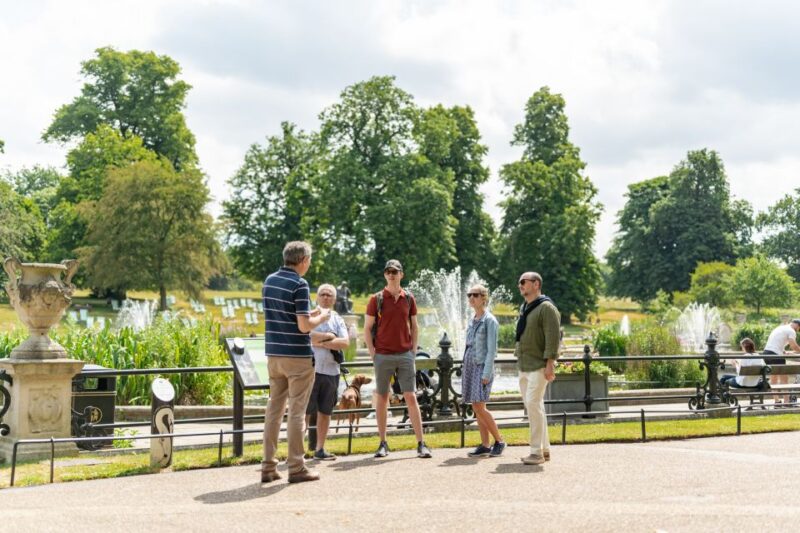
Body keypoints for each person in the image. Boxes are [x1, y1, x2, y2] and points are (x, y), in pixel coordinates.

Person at [261, 241, 330, 484]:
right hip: (297, 357)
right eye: (309, 260)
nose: (309, 264)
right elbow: (302, 327)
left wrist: (309, 315)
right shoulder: (300, 284)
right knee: (297, 413)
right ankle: (297, 467)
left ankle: (268, 466)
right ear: (302, 260)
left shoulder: (269, 280)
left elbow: (287, 316)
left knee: (274, 410)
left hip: (274, 355)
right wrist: (321, 316)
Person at [364, 259, 432, 459]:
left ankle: (421, 443)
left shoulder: (409, 298)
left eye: (395, 271)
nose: (391, 274)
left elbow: (415, 326)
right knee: (383, 398)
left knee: (411, 396)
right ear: (385, 275)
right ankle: (383, 443)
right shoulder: (376, 299)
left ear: (401, 274)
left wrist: (412, 351)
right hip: (383, 354)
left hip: (404, 354)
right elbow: (367, 328)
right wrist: (372, 353)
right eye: (388, 272)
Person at [514, 272, 560, 466]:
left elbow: (553, 338)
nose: (520, 285)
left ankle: (536, 452)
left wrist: (550, 364)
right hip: (524, 365)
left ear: (536, 284)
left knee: (533, 404)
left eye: (523, 282)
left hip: (539, 366)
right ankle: (545, 449)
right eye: (519, 283)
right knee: (535, 406)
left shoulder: (546, 307)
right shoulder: (525, 307)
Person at [462, 284, 506, 458]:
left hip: (481, 367)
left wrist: (486, 373)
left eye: (475, 295)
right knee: (476, 406)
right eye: (469, 295)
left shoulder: (490, 321)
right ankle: (485, 444)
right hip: (471, 366)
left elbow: (491, 350)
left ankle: (499, 441)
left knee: (480, 407)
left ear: (484, 298)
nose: (471, 298)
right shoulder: (473, 320)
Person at [306, 283, 349, 461]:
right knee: (304, 413)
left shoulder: (337, 318)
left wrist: (321, 342)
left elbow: (345, 342)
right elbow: (306, 335)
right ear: (317, 297)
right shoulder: (310, 315)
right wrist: (330, 337)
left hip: (331, 371)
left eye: (329, 295)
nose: (325, 297)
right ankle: (297, 451)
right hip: (310, 370)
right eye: (322, 294)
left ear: (334, 299)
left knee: (326, 412)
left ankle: (320, 449)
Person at [762, 319, 800, 406]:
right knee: (784, 379)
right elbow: (793, 346)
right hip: (776, 356)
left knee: (774, 379)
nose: (798, 331)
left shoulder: (780, 328)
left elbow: (776, 342)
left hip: (766, 353)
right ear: (797, 325)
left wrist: (784, 352)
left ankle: (777, 402)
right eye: (799, 329)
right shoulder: (791, 331)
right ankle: (786, 402)